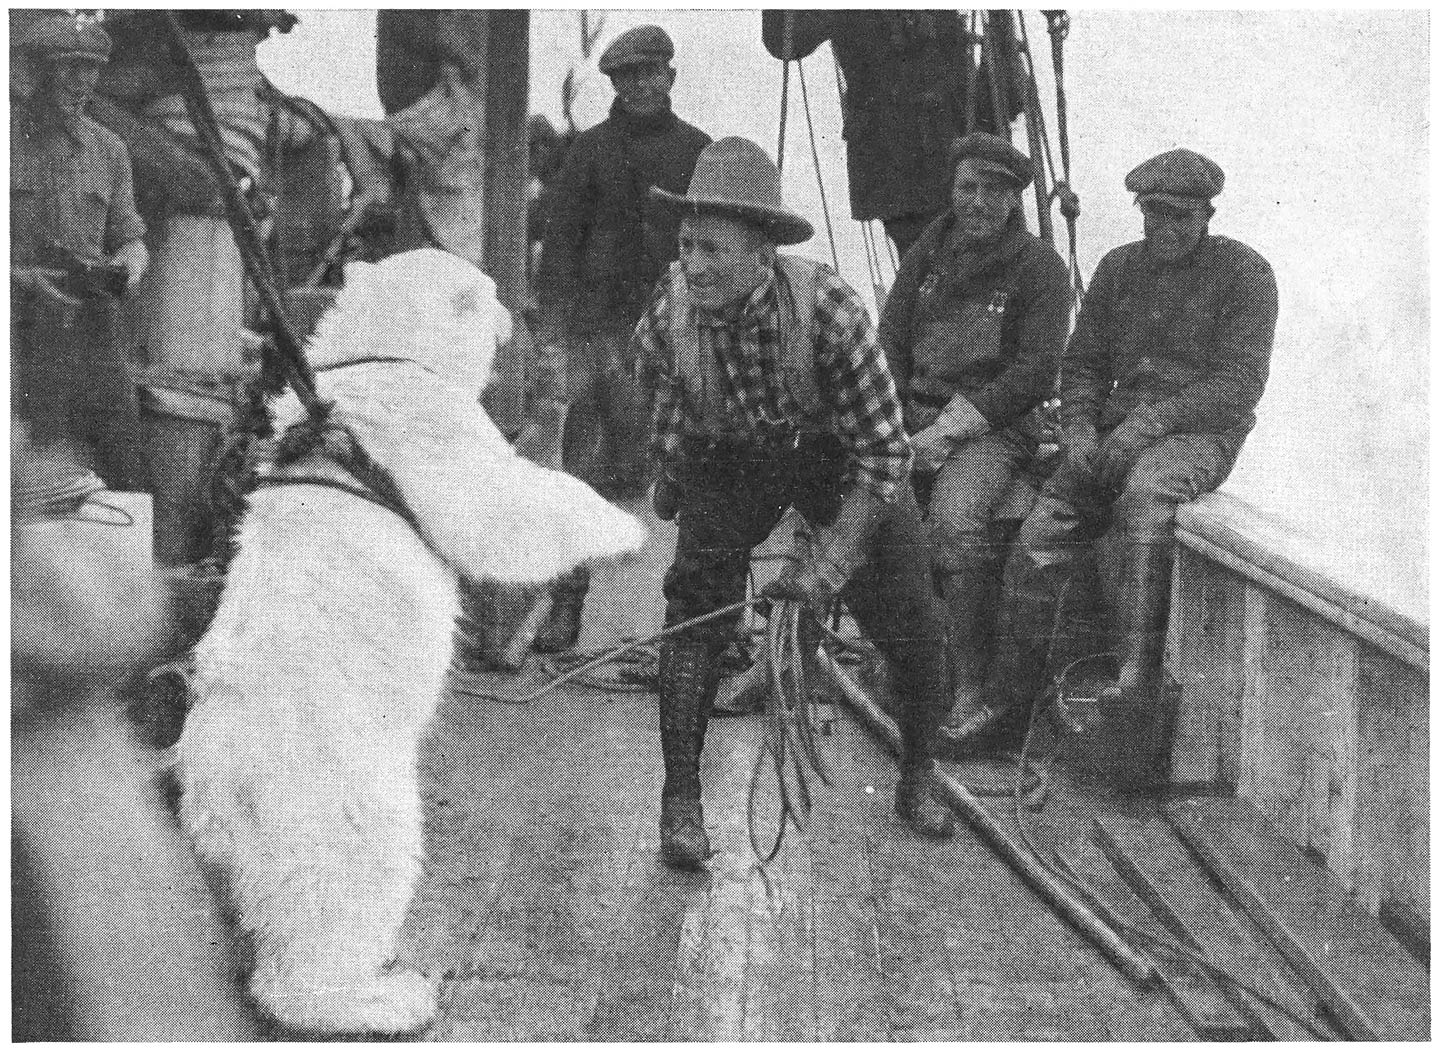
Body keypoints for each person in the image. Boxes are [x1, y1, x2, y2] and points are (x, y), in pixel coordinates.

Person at [634, 136, 957, 869]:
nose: (694, 264)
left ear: (762, 256)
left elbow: (886, 456)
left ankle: (919, 770)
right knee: (692, 616)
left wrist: (829, 564)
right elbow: (659, 378)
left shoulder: (832, 312)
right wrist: (671, 468)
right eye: (687, 245)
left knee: (912, 619)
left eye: (713, 250)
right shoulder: (672, 306)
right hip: (731, 454)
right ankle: (680, 802)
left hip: (837, 457)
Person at [954, 148, 1278, 779]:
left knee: (1145, 498)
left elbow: (1238, 385)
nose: (1167, 227)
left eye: (1181, 216)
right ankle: (1008, 704)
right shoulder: (1119, 269)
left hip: (1198, 435)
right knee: (1039, 532)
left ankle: (1133, 689)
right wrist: (1078, 428)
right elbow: (1081, 364)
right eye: (1155, 213)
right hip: (1112, 431)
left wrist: (1146, 426)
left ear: (1207, 215)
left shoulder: (1245, 275)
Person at [878, 132, 1071, 739]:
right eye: (968, 187)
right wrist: (894, 416)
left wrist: (950, 430)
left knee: (953, 523)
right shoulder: (928, 253)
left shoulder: (1040, 269)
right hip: (915, 414)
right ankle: (838, 657)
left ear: (1014, 200)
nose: (978, 202)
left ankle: (969, 685)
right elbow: (892, 339)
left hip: (995, 428)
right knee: (846, 499)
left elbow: (1034, 372)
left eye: (994, 191)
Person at [530, 24, 712, 652]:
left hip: (682, 338)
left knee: (687, 476)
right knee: (580, 473)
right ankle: (565, 608)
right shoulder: (589, 152)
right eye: (624, 77)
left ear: (670, 76)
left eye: (648, 74)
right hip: (598, 338)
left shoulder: (699, 152)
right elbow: (559, 248)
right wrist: (554, 336)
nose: (637, 87)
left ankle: (689, 625)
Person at [11, 13, 149, 490]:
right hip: (20, 323)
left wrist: (129, 264)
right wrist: (21, 277)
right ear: (33, 72)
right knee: (32, 460)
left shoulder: (108, 149)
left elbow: (129, 237)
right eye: (69, 66)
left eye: (92, 68)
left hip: (93, 321)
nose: (83, 81)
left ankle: (127, 539)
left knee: (122, 456)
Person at [761, 11, 1025, 258]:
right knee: (937, 265)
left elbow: (1003, 93)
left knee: (989, 262)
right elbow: (785, 39)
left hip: (963, 150)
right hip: (901, 170)